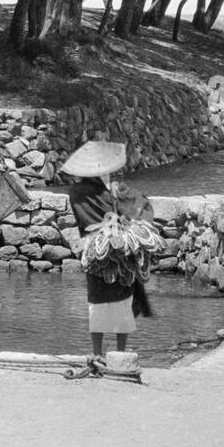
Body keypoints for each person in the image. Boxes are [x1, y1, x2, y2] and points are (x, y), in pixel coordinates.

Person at [64, 140, 155, 360]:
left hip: (96, 253)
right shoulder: (115, 191)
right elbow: (137, 206)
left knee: (96, 302)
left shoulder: (75, 192)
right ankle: (120, 353)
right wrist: (116, 197)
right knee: (123, 300)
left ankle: (96, 353)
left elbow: (84, 222)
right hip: (120, 252)